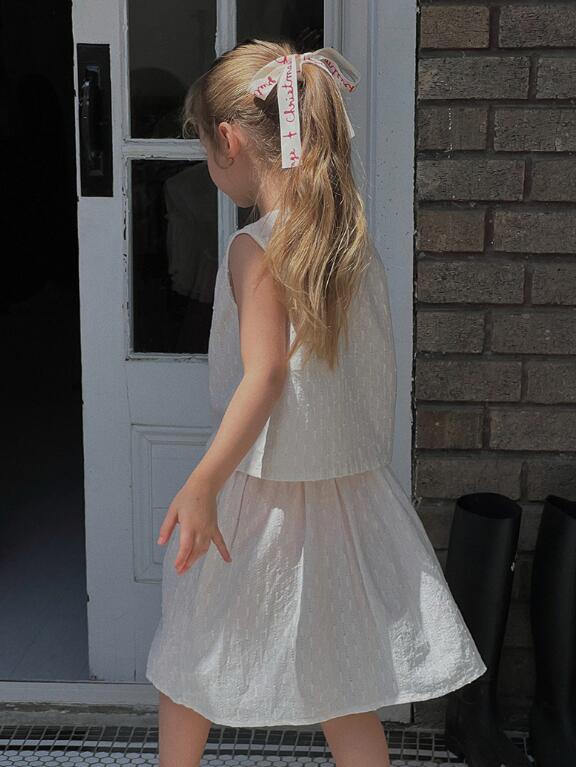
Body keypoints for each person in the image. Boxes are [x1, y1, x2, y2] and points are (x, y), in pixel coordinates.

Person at [145, 39, 487, 767]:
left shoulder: (255, 249)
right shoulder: (348, 244)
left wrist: (203, 482)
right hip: (341, 498)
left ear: (230, 141)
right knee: (343, 681)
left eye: (205, 145)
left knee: (190, 659)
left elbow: (265, 376)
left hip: (259, 499)